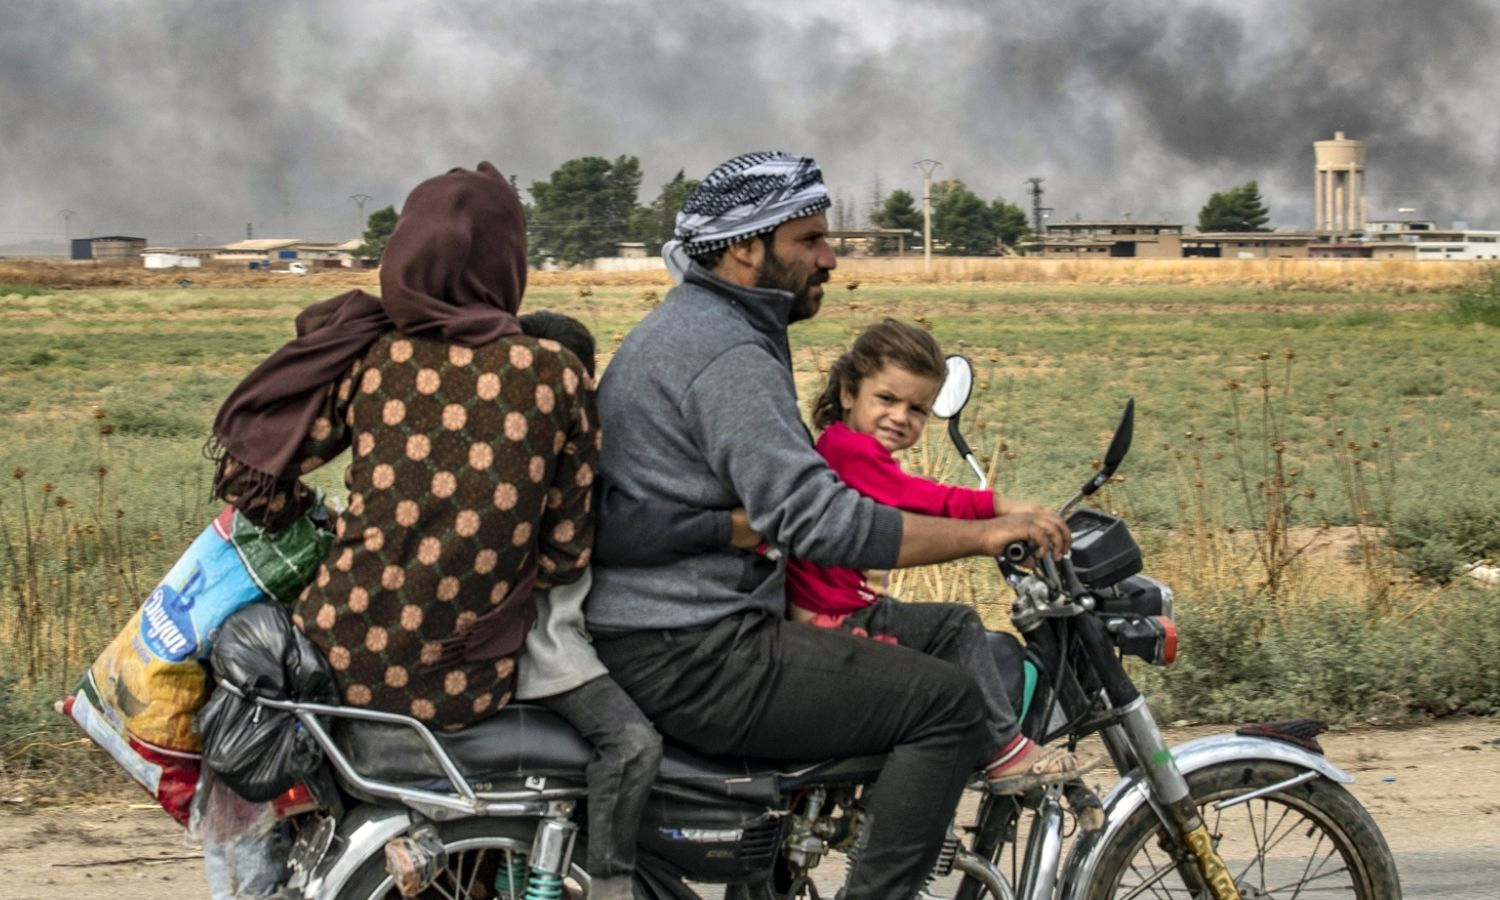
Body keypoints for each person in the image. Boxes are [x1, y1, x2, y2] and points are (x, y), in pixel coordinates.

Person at [584, 151, 1072, 900]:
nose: (830, 257)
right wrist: (981, 534)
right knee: (945, 704)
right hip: (692, 649)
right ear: (747, 247)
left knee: (942, 632)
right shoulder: (725, 352)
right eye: (809, 240)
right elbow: (817, 519)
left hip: (680, 626)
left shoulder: (705, 326)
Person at [207, 166, 647, 899]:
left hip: (337, 660)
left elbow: (251, 479)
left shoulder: (374, 361)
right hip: (461, 682)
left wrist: (327, 528)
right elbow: (569, 553)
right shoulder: (555, 374)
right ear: (506, 263)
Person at [789, 317, 1094, 792]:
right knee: (956, 626)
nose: (900, 418)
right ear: (849, 392)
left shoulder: (842, 445)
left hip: (842, 614)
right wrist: (1002, 511)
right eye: (886, 399)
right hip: (837, 622)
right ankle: (1005, 752)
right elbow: (923, 499)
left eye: (918, 409)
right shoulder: (849, 452)